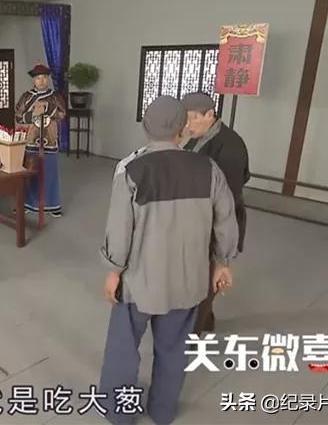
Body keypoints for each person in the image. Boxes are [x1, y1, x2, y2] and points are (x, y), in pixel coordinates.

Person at [98, 96, 239, 425]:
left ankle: (119, 413)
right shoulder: (208, 169)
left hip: (139, 283)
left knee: (123, 349)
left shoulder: (131, 171)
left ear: (146, 127)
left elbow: (119, 230)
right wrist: (222, 263)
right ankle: (162, 411)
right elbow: (226, 220)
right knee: (175, 349)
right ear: (182, 129)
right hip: (188, 282)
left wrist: (114, 271)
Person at [181, 92, 250, 334]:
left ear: (210, 115)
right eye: (185, 119)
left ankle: (191, 335)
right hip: (197, 218)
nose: (187, 125)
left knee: (204, 283)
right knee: (197, 279)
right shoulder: (196, 137)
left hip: (216, 223)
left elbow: (228, 198)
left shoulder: (230, 146)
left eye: (193, 118)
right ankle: (205, 322)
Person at [14, 63, 66, 217]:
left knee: (50, 173)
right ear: (33, 81)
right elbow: (18, 116)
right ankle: (27, 203)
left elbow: (62, 114)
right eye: (38, 78)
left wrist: (48, 109)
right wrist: (33, 114)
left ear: (47, 79)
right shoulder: (27, 96)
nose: (41, 81)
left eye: (44, 78)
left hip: (50, 139)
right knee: (30, 172)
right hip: (31, 140)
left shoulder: (55, 96)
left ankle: (52, 205)